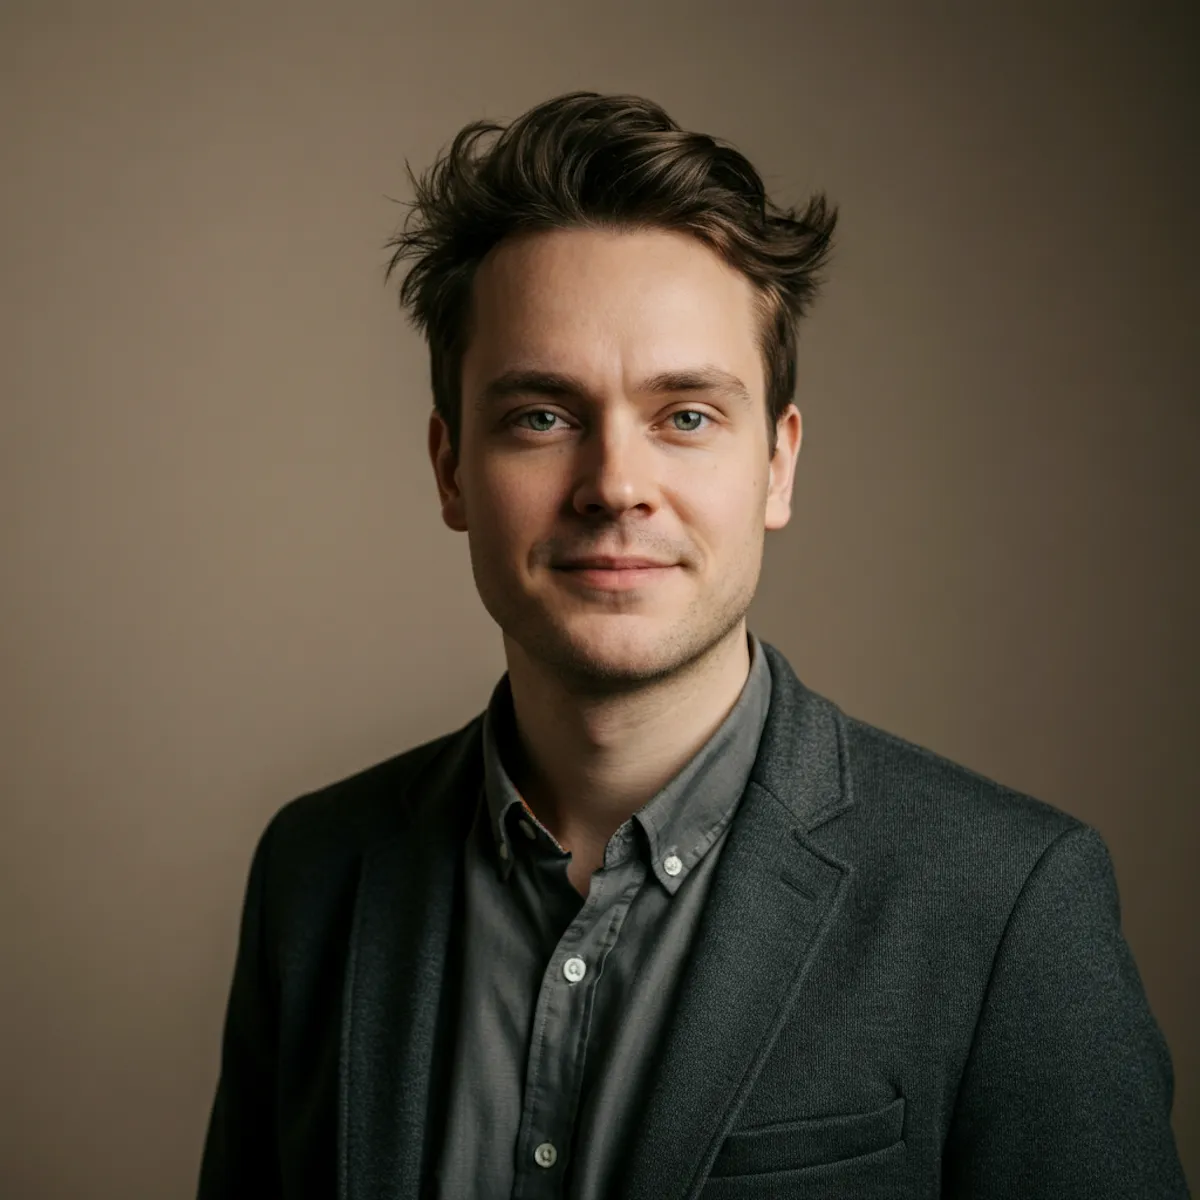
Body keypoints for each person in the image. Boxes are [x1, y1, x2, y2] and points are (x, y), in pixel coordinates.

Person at [197, 91, 1188, 1199]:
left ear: (779, 465)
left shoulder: (1005, 904)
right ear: (448, 469)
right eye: (541, 415)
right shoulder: (316, 871)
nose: (616, 485)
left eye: (687, 416)